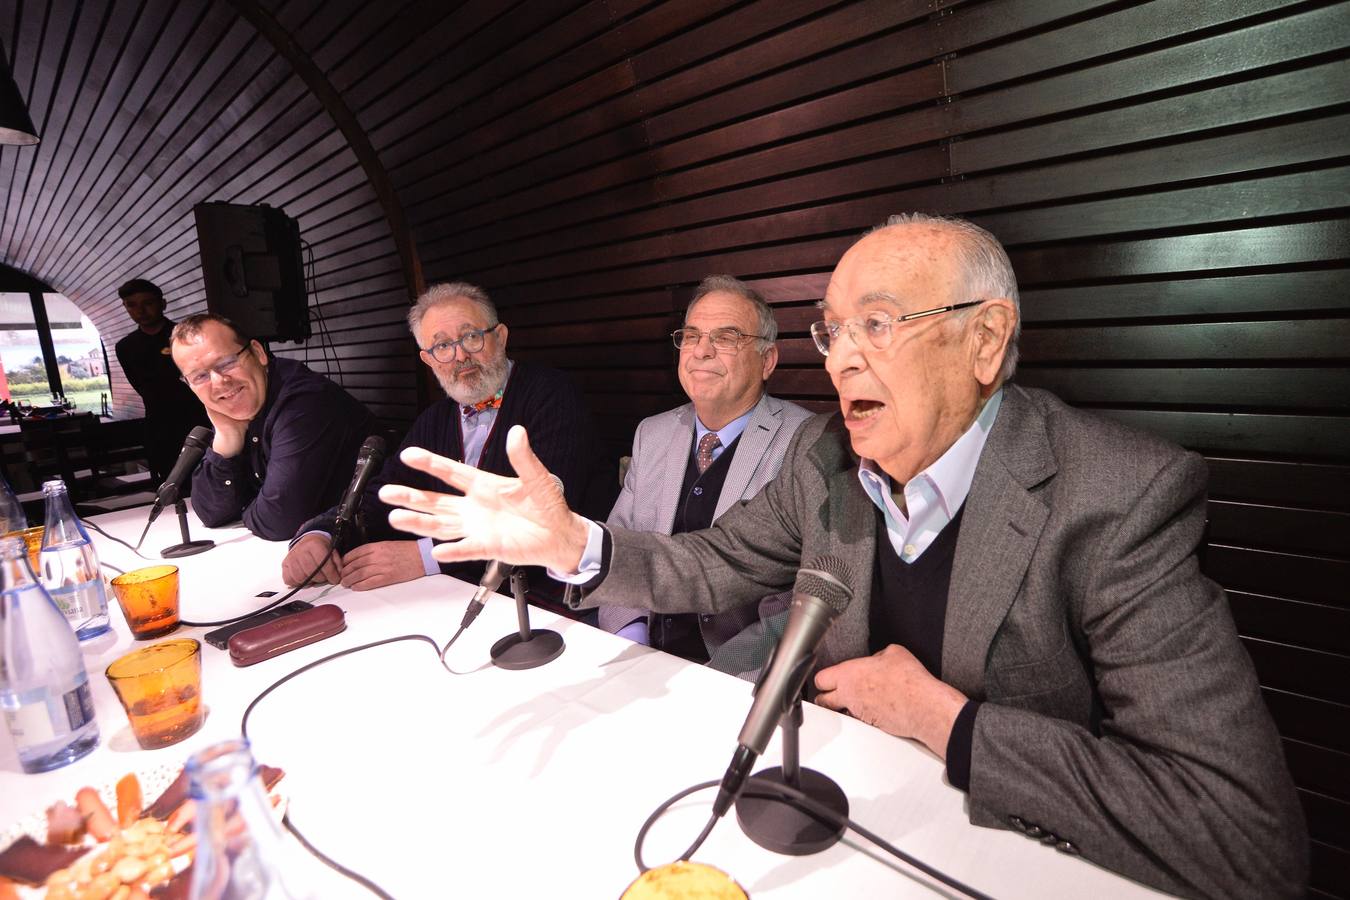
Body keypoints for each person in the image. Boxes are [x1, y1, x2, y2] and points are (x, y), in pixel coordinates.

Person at [375, 215, 1307, 899]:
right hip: (846, 833)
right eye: (832, 329)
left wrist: (944, 718)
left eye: (880, 323)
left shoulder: (1116, 495)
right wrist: (578, 545)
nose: (842, 359)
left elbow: (1244, 838)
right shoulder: (828, 461)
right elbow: (713, 563)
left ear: (986, 339)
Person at [280, 282, 615, 591]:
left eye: (471, 337)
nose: (459, 355)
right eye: (442, 345)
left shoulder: (554, 395)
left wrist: (427, 556)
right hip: (461, 595)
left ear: (500, 337)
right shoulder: (435, 419)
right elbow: (383, 495)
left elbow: (544, 519)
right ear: (428, 360)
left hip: (555, 599)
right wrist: (321, 533)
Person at [600, 275, 811, 674]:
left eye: (727, 337)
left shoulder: (803, 442)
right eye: (692, 335)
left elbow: (804, 600)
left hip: (738, 676)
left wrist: (717, 675)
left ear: (767, 361)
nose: (701, 351)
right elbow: (620, 539)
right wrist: (632, 640)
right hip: (641, 658)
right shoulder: (653, 432)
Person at [170, 313, 376, 541]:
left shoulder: (305, 401)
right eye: (200, 376)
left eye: (227, 363)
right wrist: (226, 439)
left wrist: (246, 506)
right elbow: (211, 513)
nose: (219, 382)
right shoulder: (235, 414)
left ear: (258, 353)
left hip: (369, 547)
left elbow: (280, 521)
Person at [113, 279, 209, 485]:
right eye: (132, 305)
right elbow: (141, 387)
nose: (140, 310)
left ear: (162, 304)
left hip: (197, 418)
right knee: (172, 484)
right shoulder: (126, 347)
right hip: (159, 426)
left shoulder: (187, 336)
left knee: (210, 478)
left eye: (147, 302)